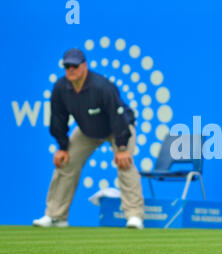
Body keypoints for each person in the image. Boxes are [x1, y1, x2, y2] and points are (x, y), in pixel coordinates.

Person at [33, 48, 145, 229]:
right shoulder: (61, 88)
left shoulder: (102, 87)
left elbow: (118, 117)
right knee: (66, 163)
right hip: (87, 130)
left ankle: (134, 217)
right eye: (67, 66)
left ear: (84, 66)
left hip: (117, 128)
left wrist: (122, 147)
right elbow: (58, 119)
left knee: (125, 164)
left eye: (74, 66)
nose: (70, 70)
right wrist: (62, 146)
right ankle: (56, 217)